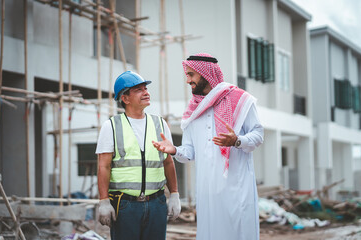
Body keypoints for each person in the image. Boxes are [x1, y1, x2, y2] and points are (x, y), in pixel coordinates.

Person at [152, 53, 264, 240]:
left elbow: (258, 135)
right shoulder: (193, 110)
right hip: (208, 194)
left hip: (237, 190)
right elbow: (189, 152)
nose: (188, 80)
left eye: (191, 75)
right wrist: (174, 150)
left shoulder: (241, 100)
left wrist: (237, 141)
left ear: (206, 74)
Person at [96, 71, 181, 240]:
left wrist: (175, 194)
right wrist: (104, 201)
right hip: (125, 205)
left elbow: (168, 162)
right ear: (125, 98)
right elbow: (103, 166)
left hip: (156, 203)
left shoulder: (160, 123)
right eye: (138, 90)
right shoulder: (111, 126)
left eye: (146, 88)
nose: (146, 92)